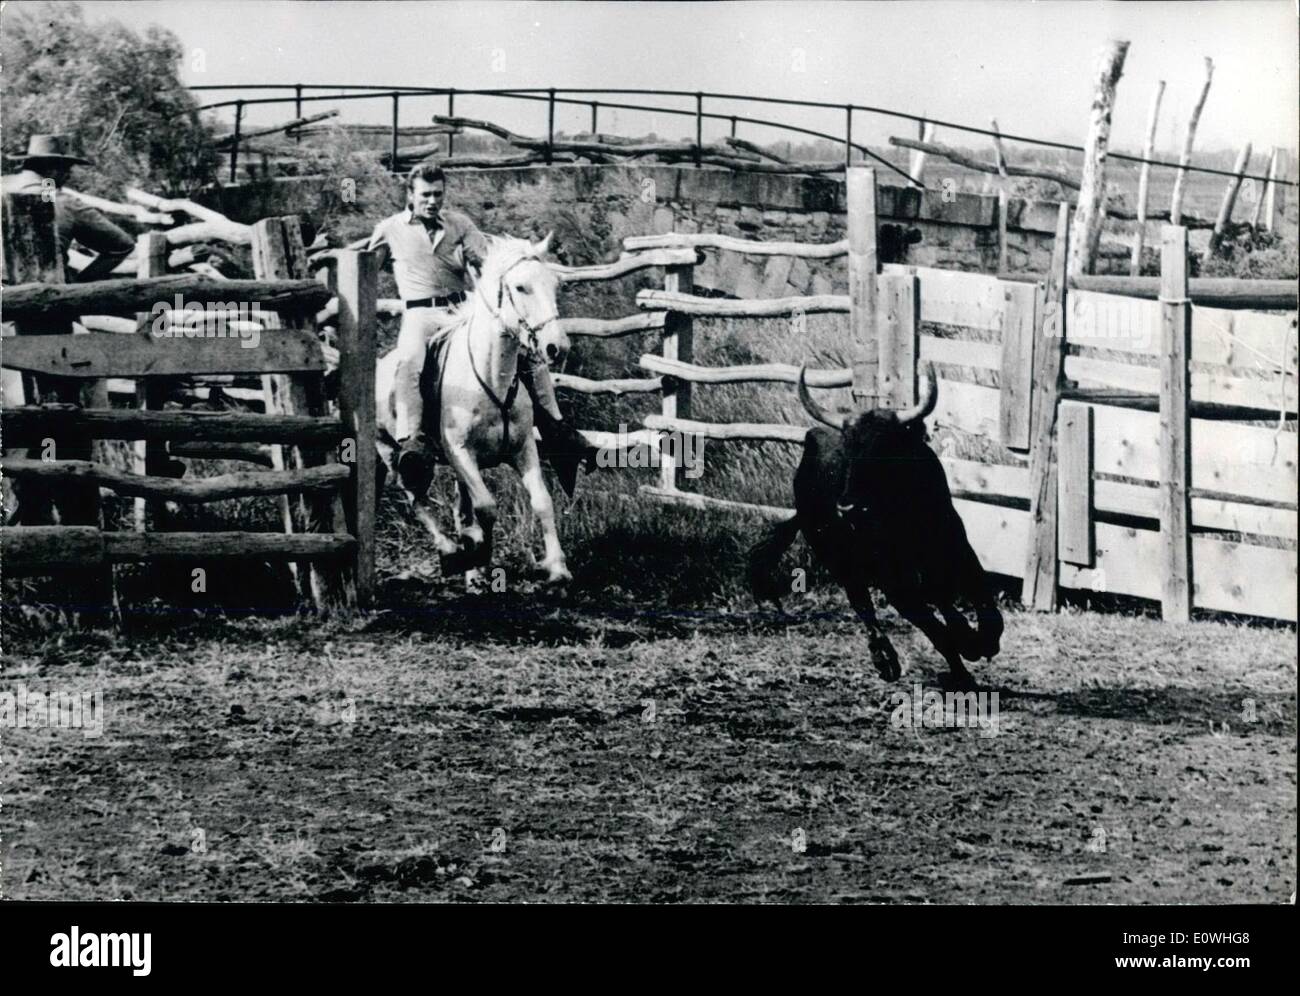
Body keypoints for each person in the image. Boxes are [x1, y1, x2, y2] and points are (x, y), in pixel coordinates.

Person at [366, 163, 594, 496]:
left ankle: (555, 426)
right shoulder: (389, 229)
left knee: (528, 354)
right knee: (410, 361)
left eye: (438, 194)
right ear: (410, 195)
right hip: (421, 313)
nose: (432, 201)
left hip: (462, 307)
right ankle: (411, 438)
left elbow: (490, 262)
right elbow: (365, 269)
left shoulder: (459, 223)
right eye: (425, 195)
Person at [2, 134, 135, 281]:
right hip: (44, 292)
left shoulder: (4, 187)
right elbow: (122, 246)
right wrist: (82, 283)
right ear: (51, 170)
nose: (69, 175)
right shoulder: (64, 202)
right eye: (67, 169)